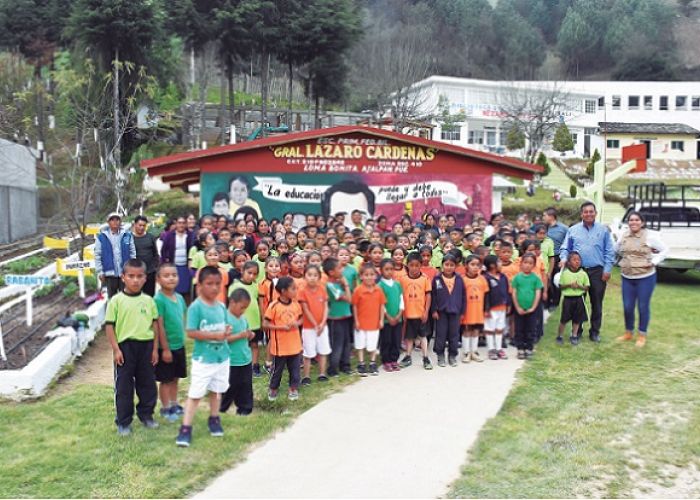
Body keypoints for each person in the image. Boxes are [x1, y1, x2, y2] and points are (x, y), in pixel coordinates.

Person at [176, 266, 232, 447]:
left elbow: (224, 327)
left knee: (216, 391)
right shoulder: (196, 308)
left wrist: (226, 331)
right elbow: (191, 332)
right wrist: (214, 336)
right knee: (196, 394)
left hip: (222, 357)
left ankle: (214, 418)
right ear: (199, 285)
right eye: (209, 284)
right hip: (204, 360)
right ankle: (185, 428)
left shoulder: (222, 306)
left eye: (218, 284)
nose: (214, 288)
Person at [104, 259, 159, 436]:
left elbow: (155, 325)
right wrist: (116, 349)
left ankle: (146, 415)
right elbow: (110, 326)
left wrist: (155, 348)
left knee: (147, 383)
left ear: (145, 278)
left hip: (146, 347)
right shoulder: (116, 301)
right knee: (124, 386)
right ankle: (123, 421)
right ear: (123, 277)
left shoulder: (148, 301)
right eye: (131, 276)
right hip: (125, 348)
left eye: (139, 276)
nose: (135, 280)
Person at [560, 202, 615, 343]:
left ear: (595, 213)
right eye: (586, 212)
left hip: (597, 272)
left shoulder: (603, 230)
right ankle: (577, 332)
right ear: (581, 214)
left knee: (597, 303)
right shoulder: (573, 230)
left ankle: (595, 332)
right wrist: (563, 259)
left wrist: (607, 269)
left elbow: (609, 251)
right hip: (577, 271)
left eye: (591, 211)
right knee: (578, 302)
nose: (589, 214)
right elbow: (565, 248)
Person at [613, 211, 668, 347]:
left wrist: (654, 261)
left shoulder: (650, 236)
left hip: (645, 277)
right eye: (631, 220)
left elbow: (665, 250)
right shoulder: (623, 235)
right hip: (627, 277)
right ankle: (628, 332)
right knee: (627, 307)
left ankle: (642, 335)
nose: (633, 222)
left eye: (637, 220)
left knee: (643, 306)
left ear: (642, 223)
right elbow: (616, 249)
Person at [154, 263, 188, 423]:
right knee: (166, 380)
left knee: (175, 377)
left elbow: (182, 319)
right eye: (166, 275)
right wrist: (165, 349)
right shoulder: (158, 300)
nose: (171, 278)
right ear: (158, 279)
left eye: (174, 275)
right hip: (165, 348)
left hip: (179, 346)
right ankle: (165, 407)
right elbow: (159, 326)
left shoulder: (180, 297)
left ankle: (175, 404)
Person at [264, 276, 304, 401]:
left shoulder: (296, 304)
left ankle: (293, 389)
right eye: (293, 289)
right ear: (283, 291)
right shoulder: (274, 306)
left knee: (295, 369)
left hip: (295, 345)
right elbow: (265, 324)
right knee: (277, 370)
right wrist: (281, 327)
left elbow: (301, 318)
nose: (295, 291)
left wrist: (296, 324)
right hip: (280, 347)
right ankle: (273, 388)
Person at [220, 288, 255, 416]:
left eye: (245, 308)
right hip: (231, 361)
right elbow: (223, 339)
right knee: (230, 386)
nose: (243, 311)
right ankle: (222, 408)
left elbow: (247, 331)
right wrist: (240, 336)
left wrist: (250, 334)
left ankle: (245, 408)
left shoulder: (243, 318)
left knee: (245, 386)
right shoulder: (225, 318)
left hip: (245, 358)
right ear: (233, 303)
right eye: (242, 307)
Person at [351, 263, 387, 376]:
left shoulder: (378, 290)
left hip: (374, 322)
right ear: (361, 276)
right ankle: (361, 363)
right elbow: (355, 306)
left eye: (372, 274)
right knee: (360, 344)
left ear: (376, 276)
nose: (369, 277)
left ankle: (372, 363)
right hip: (361, 322)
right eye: (366, 275)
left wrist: (381, 320)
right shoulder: (358, 290)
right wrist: (356, 320)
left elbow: (382, 306)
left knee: (372, 344)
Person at [431, 254, 466, 368]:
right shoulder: (437, 279)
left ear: (455, 266)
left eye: (452, 265)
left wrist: (462, 312)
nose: (449, 267)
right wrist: (434, 310)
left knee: (454, 335)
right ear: (442, 266)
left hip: (455, 311)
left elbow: (463, 296)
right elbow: (433, 296)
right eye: (446, 264)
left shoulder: (459, 279)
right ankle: (440, 355)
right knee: (440, 334)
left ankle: (452, 355)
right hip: (441, 312)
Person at [399, 252, 433, 370]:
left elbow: (428, 296)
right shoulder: (402, 279)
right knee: (409, 337)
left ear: (420, 265)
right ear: (407, 265)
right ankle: (408, 356)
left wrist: (426, 311)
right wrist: (402, 312)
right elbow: (401, 297)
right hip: (408, 314)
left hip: (420, 314)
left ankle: (425, 357)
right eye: (411, 265)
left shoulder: (425, 279)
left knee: (423, 336)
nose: (414, 268)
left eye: (416, 265)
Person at [228, 262, 262, 374]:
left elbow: (257, 300)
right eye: (249, 273)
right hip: (241, 321)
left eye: (255, 274)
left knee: (254, 344)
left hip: (255, 320)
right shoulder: (235, 285)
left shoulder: (255, 285)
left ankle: (255, 365)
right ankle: (241, 364)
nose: (252, 276)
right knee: (241, 343)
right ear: (242, 271)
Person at [299, 265, 330, 385]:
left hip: (323, 327)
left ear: (319, 277)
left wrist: (322, 323)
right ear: (305, 276)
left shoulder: (322, 289)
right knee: (308, 352)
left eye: (315, 275)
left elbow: (326, 307)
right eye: (309, 275)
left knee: (323, 350)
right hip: (308, 328)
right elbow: (305, 309)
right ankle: (306, 376)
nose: (312, 278)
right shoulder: (302, 291)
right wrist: (315, 325)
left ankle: (322, 374)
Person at [324, 257, 354, 376]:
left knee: (347, 343)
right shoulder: (330, 286)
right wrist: (346, 285)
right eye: (339, 268)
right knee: (337, 344)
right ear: (331, 272)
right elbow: (349, 299)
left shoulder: (337, 283)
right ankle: (332, 368)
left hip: (345, 316)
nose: (342, 270)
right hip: (335, 319)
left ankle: (345, 365)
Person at [95, 212, 136, 298]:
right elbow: (98, 255)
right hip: (110, 273)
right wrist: (100, 271)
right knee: (112, 298)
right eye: (112, 220)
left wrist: (132, 268)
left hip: (125, 273)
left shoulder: (127, 235)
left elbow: (132, 252)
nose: (115, 222)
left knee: (126, 296)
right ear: (108, 222)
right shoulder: (101, 237)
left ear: (120, 222)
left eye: (117, 219)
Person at [511, 253, 543, 360]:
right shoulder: (517, 278)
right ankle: (520, 348)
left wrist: (533, 307)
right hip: (519, 309)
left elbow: (538, 293)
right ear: (521, 264)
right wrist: (517, 307)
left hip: (532, 309)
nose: (527, 265)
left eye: (530, 263)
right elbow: (514, 293)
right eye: (525, 262)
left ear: (534, 265)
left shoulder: (536, 278)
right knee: (519, 329)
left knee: (531, 329)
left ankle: (529, 348)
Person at [555, 251, 589, 346]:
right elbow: (561, 286)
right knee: (564, 319)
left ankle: (574, 335)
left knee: (577, 319)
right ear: (569, 262)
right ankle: (560, 336)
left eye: (578, 260)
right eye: (574, 260)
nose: (577, 262)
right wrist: (569, 285)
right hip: (568, 299)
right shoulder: (565, 273)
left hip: (579, 299)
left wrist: (579, 287)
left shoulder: (583, 274)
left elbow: (586, 287)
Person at [160, 216, 196, 300]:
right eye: (179, 223)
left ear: (186, 224)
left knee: (186, 288)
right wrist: (165, 263)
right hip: (174, 265)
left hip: (186, 266)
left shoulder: (190, 235)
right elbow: (164, 250)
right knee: (173, 287)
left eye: (183, 223)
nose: (181, 225)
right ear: (176, 224)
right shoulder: (169, 235)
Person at [461, 255, 489, 363]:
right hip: (467, 311)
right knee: (467, 331)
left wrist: (486, 309)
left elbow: (487, 295)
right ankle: (466, 352)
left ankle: (474, 351)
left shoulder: (482, 279)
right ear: (466, 266)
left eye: (478, 265)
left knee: (476, 331)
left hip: (478, 310)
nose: (475, 267)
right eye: (472, 264)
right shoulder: (462, 280)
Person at [378, 259, 404, 372]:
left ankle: (394, 360)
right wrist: (387, 316)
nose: (389, 272)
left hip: (398, 318)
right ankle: (386, 360)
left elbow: (401, 300)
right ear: (381, 271)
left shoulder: (397, 284)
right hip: (386, 319)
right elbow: (381, 303)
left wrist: (399, 315)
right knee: (386, 340)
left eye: (391, 269)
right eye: (386, 269)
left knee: (396, 340)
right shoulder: (380, 285)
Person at [482, 255, 509, 360]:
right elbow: (486, 295)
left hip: (502, 307)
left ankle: (499, 348)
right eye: (499, 262)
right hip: (491, 309)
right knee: (489, 329)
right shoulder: (486, 278)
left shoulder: (503, 277)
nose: (501, 264)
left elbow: (506, 291)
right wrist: (486, 309)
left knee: (499, 328)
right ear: (492, 265)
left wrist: (508, 304)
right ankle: (491, 349)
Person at [543, 207, 568, 309]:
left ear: (551, 216)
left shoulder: (564, 228)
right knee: (546, 278)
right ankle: (546, 301)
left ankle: (555, 302)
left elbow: (568, 243)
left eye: (544, 215)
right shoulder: (543, 227)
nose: (543, 218)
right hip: (545, 256)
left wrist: (565, 258)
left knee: (555, 279)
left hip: (557, 257)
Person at [132, 215, 160, 297]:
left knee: (149, 296)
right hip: (135, 273)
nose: (141, 227)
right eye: (140, 225)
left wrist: (155, 267)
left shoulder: (150, 237)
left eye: (144, 225)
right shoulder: (129, 238)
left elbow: (155, 254)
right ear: (135, 225)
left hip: (150, 272)